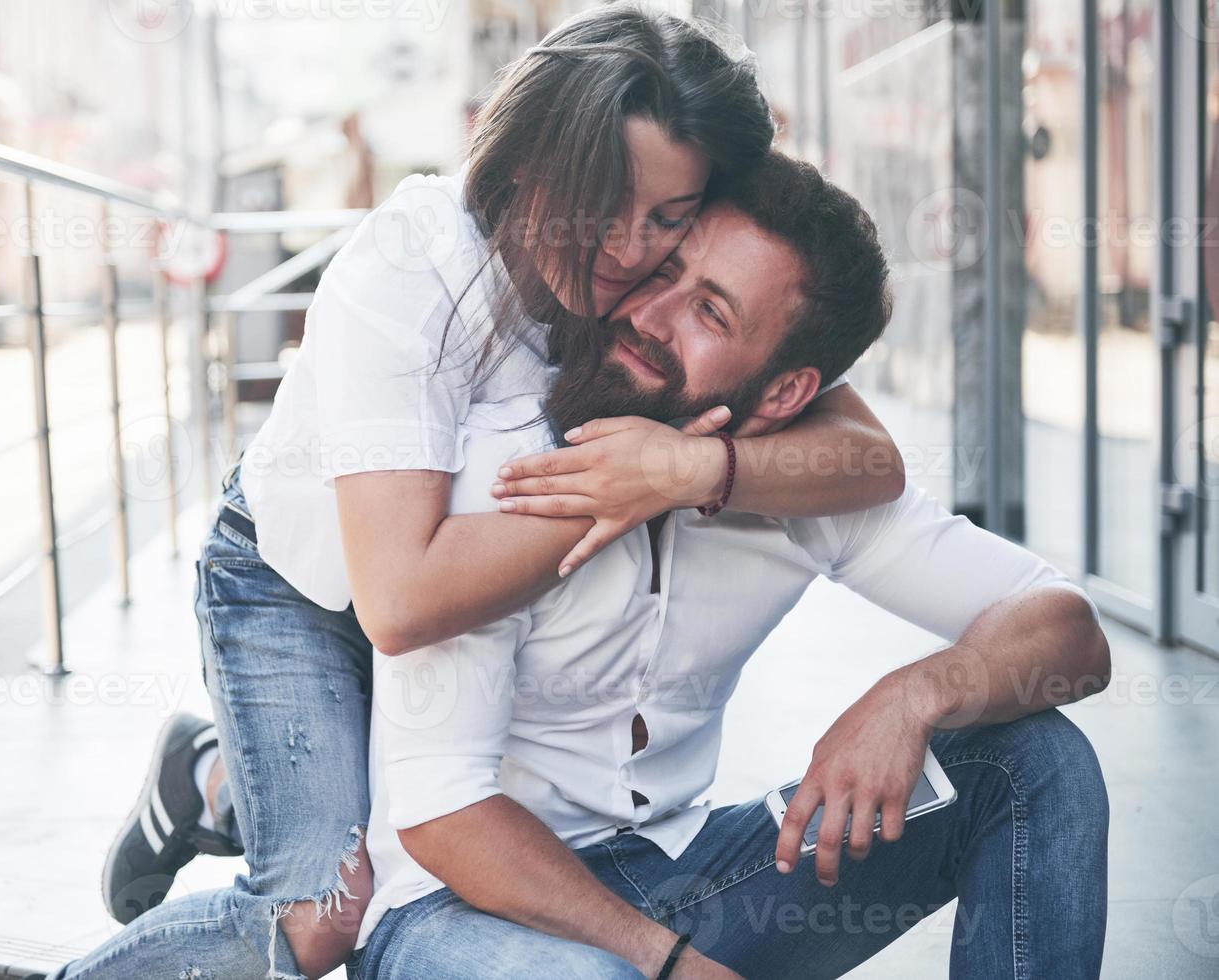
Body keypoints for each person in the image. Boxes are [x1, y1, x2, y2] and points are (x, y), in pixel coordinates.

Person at [54, 8, 906, 979]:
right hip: (302, 584)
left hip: (463, 602)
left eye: (669, 217)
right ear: (537, 155)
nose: (630, 247)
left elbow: (868, 459)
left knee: (397, 801)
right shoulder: (411, 266)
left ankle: (219, 775)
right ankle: (198, 804)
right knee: (322, 912)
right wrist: (639, 470)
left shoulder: (657, 289)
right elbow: (400, 599)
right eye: (609, 201)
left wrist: (697, 468)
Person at [353, 153, 1112, 979]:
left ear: (785, 395)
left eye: (709, 313)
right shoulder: (504, 458)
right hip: (457, 912)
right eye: (664, 271)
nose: (648, 313)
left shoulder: (801, 481)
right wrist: (670, 964)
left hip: (679, 875)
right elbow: (442, 813)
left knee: (1032, 761)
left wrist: (914, 695)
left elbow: (1066, 627)